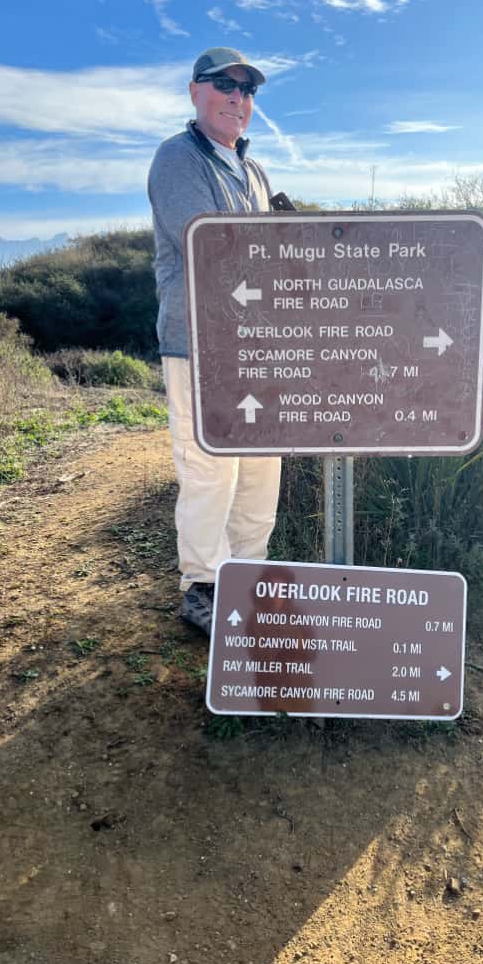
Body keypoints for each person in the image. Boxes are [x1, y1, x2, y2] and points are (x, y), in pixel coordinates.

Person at [147, 47, 280, 634]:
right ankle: (202, 585)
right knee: (209, 469)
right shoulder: (177, 159)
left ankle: (248, 576)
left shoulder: (253, 172)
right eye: (224, 85)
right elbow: (212, 249)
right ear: (194, 91)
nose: (238, 98)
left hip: (257, 348)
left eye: (247, 90)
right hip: (199, 346)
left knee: (259, 468)